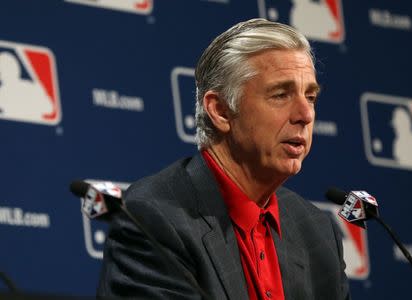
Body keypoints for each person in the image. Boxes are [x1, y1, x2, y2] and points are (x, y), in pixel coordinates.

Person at [97, 18, 350, 300]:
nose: (305, 115)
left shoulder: (316, 231)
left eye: (311, 97)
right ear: (220, 111)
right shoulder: (153, 217)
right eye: (281, 94)